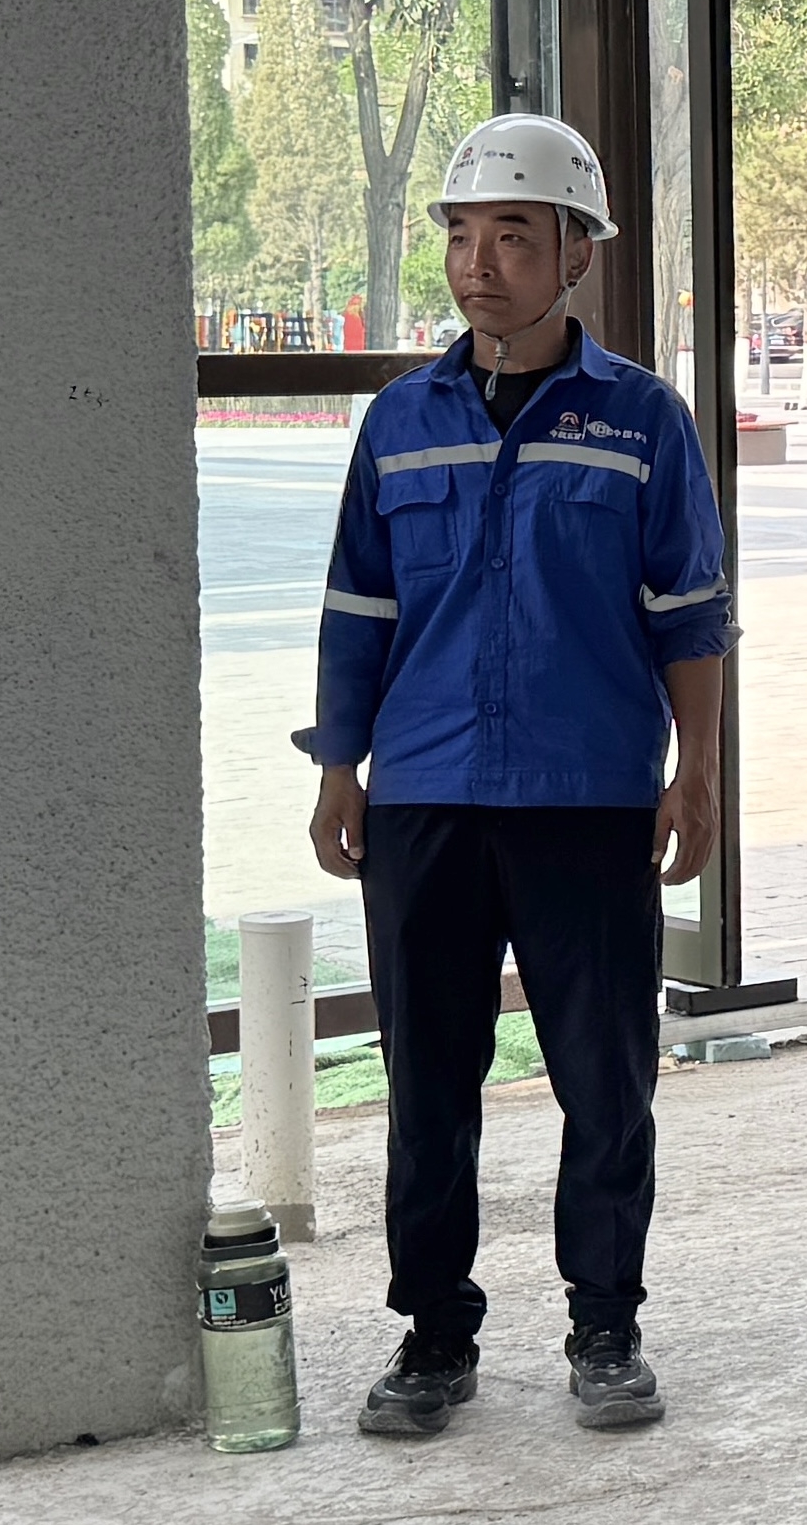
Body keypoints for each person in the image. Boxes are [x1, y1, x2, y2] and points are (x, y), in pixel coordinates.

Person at [307, 112, 733, 1441]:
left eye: (511, 236)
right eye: (459, 236)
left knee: (605, 1081)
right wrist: (339, 767)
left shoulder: (643, 421)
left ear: (576, 255)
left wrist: (697, 773)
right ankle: (434, 1337)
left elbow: (691, 615)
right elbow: (358, 609)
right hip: (425, 796)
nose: (478, 264)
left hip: (586, 797)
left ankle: (606, 1324)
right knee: (428, 1086)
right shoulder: (399, 423)